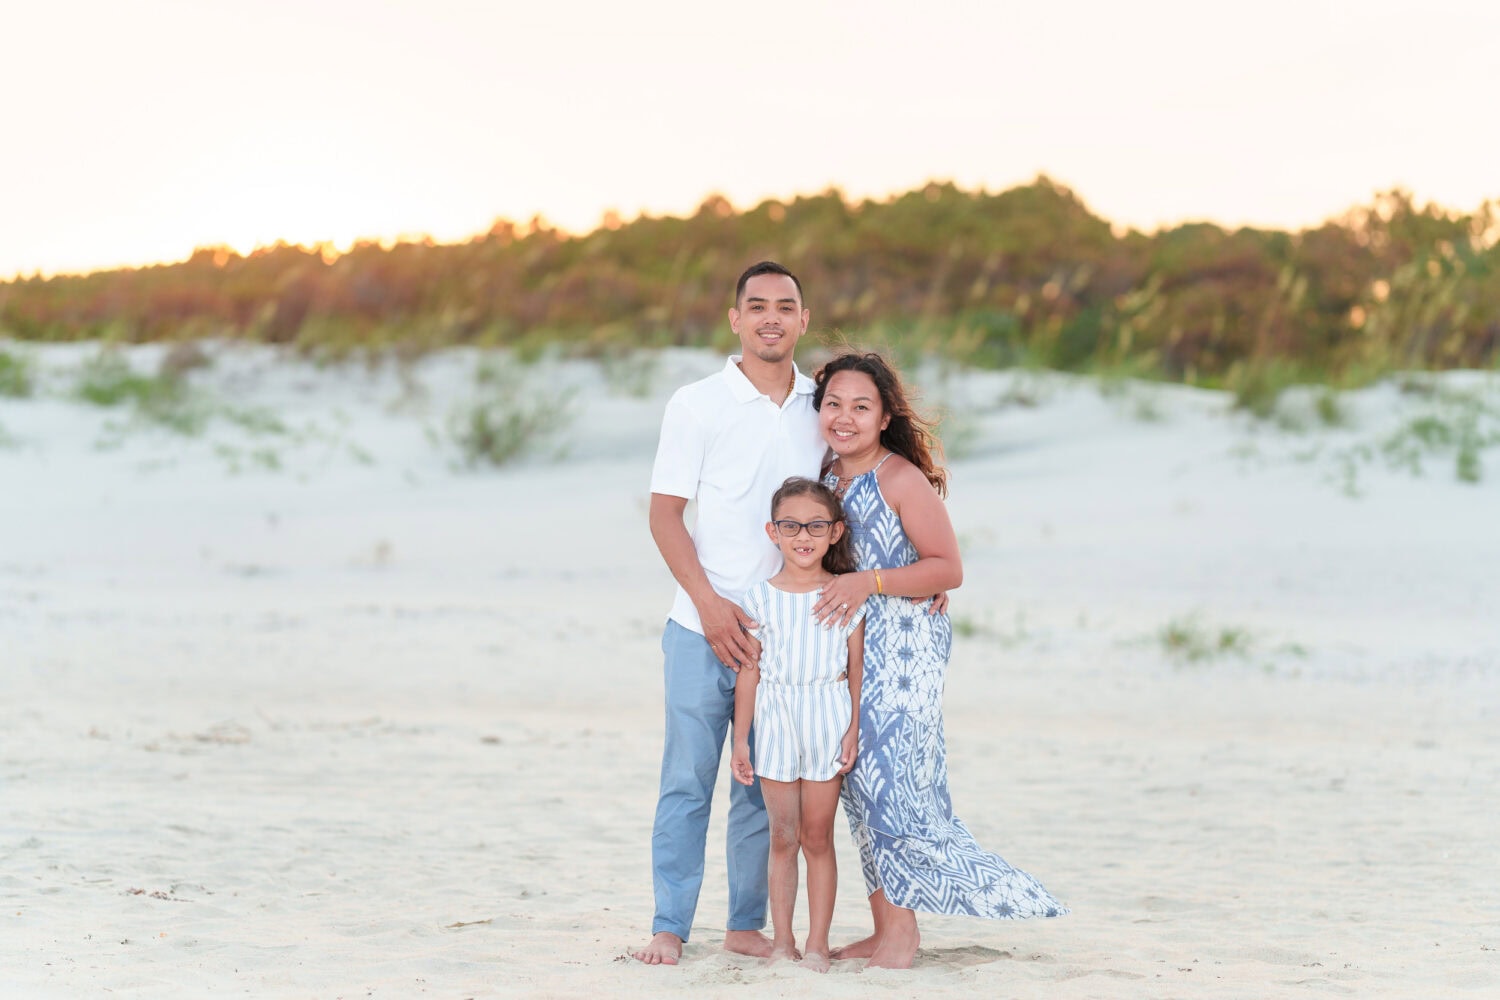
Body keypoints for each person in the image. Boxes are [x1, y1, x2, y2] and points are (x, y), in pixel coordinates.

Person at [810, 351, 1068, 969]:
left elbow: (947, 567)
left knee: (893, 786)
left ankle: (903, 934)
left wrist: (872, 581)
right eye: (833, 404)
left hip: (903, 653)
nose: (844, 418)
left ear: (885, 415)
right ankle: (884, 924)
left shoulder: (900, 478)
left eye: (860, 407)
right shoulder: (829, 476)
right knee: (858, 784)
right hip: (850, 650)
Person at [633, 262, 829, 966]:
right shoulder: (696, 403)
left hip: (788, 638)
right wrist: (712, 608)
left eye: (786, 305)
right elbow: (664, 517)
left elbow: (862, 500)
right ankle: (669, 926)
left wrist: (919, 576)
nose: (771, 317)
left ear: (804, 320)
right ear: (735, 319)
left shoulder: (823, 407)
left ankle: (746, 924)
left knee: (761, 792)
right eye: (757, 305)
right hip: (698, 627)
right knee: (687, 780)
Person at [729, 477, 866, 973]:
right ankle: (782, 942)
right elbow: (751, 671)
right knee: (782, 836)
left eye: (815, 526)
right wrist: (741, 738)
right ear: (773, 531)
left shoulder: (844, 594)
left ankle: (816, 944)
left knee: (817, 836)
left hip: (827, 715)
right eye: (791, 526)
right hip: (776, 717)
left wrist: (852, 729)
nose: (802, 536)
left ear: (835, 532)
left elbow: (856, 671)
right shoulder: (758, 597)